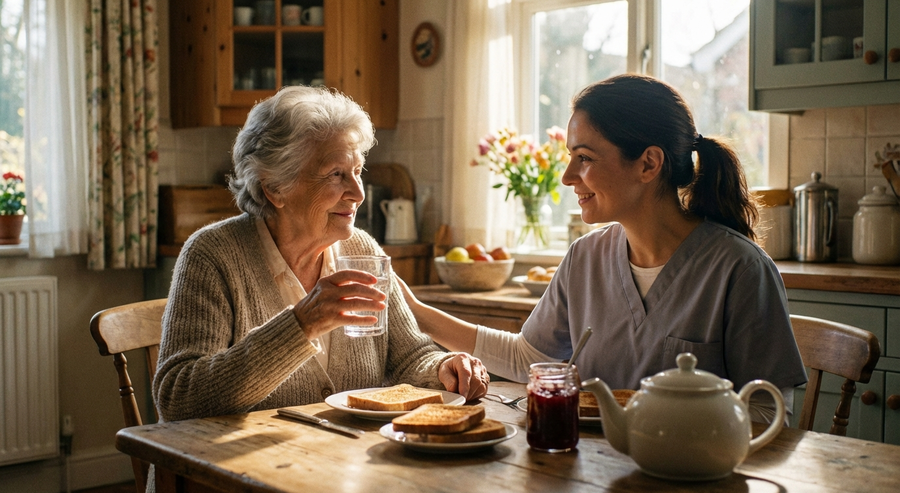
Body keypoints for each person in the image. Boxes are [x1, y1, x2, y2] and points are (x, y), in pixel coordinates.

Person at [402, 74, 807, 423]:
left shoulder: (739, 269)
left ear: (649, 164)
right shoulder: (585, 258)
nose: (566, 177)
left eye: (584, 158)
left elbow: (768, 413)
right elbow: (530, 360)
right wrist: (416, 313)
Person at [152, 86, 489, 426]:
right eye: (335, 175)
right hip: (228, 473)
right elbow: (178, 398)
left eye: (357, 171)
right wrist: (301, 325)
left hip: (337, 467)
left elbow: (410, 356)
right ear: (275, 188)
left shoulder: (362, 249)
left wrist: (443, 369)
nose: (357, 194)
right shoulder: (212, 255)